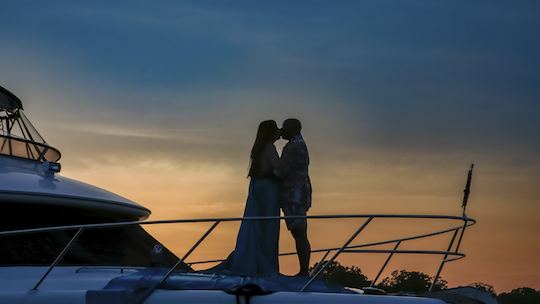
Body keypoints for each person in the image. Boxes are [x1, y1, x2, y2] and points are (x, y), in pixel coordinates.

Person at [210, 120, 282, 275]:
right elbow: (279, 168)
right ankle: (264, 263)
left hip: (258, 188)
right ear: (271, 132)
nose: (279, 131)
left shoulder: (258, 149)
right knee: (268, 227)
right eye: (276, 129)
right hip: (268, 190)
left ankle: (253, 258)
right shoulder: (270, 148)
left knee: (256, 225)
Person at [280, 118, 312, 276]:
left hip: (295, 195)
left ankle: (304, 271)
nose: (281, 130)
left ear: (292, 129)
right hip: (296, 193)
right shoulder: (297, 143)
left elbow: (281, 168)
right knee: (299, 233)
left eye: (284, 128)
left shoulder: (295, 146)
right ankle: (304, 270)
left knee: (299, 232)